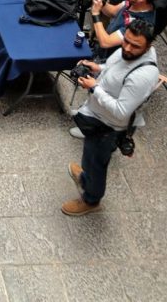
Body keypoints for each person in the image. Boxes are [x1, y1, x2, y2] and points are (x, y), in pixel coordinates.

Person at [65, 19, 159, 216]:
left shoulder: (143, 76)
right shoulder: (126, 51)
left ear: (148, 46)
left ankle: (91, 200)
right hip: (97, 116)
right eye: (127, 41)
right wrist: (97, 68)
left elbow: (121, 110)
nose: (128, 48)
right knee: (90, 156)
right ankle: (85, 177)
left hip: (107, 127)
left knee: (97, 164)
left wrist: (95, 88)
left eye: (135, 46)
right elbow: (112, 66)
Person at [89, 0, 160, 58]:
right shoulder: (134, 3)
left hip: (110, 59)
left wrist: (95, 13)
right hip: (101, 52)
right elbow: (112, 11)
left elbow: (105, 42)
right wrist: (100, 1)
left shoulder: (139, 24)